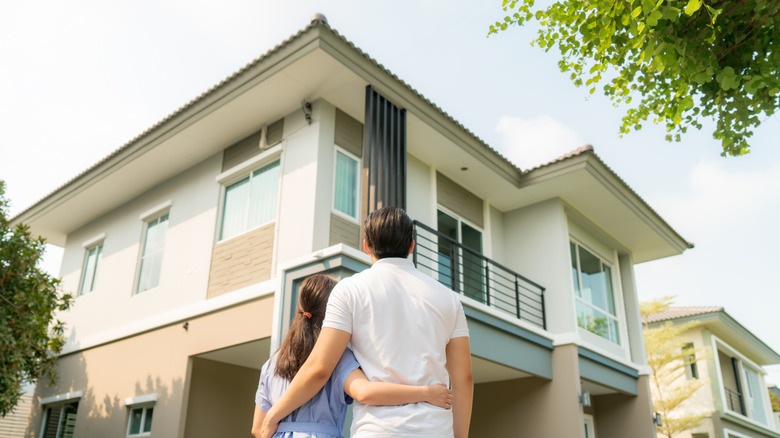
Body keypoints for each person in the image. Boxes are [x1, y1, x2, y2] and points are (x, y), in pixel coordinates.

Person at [259, 207, 473, 438]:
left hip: (377, 431)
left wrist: (273, 415)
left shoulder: (349, 291)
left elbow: (320, 369)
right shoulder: (449, 299)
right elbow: (464, 379)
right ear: (411, 246)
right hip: (434, 430)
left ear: (366, 246)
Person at [251, 274, 454, 438]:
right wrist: (426, 393)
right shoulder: (337, 358)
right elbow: (365, 392)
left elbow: (257, 429)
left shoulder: (272, 363)